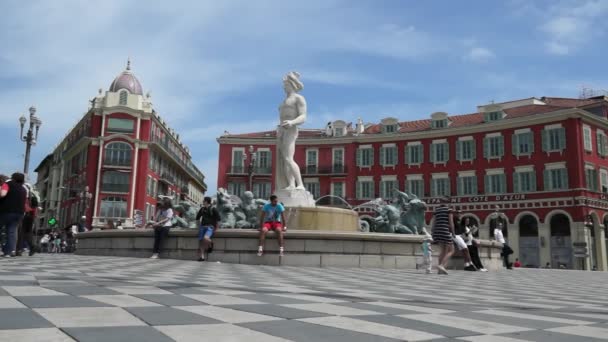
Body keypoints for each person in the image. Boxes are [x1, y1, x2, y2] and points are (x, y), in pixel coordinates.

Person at [0, 173, 27, 257]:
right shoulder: (23, 189)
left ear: (13, 178)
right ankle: (10, 251)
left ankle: (6, 249)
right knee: (12, 231)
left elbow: (2, 194)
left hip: (7, 211)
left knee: (2, 230)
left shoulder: (7, 184)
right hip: (19, 213)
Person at [431, 196, 455, 275]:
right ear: (447, 202)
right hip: (445, 230)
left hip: (437, 231)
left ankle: (439, 271)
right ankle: (441, 265)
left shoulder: (437, 210)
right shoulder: (449, 210)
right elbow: (451, 223)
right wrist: (453, 233)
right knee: (451, 250)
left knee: (443, 251)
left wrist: (433, 232)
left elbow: (433, 222)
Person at [195, 196, 221, 262]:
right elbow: (197, 218)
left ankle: (211, 243)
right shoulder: (202, 209)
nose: (203, 202)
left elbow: (218, 219)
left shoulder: (213, 209)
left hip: (210, 227)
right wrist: (199, 226)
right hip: (202, 227)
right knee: (201, 242)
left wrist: (216, 228)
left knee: (205, 238)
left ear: (206, 201)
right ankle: (202, 257)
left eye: (203, 201)